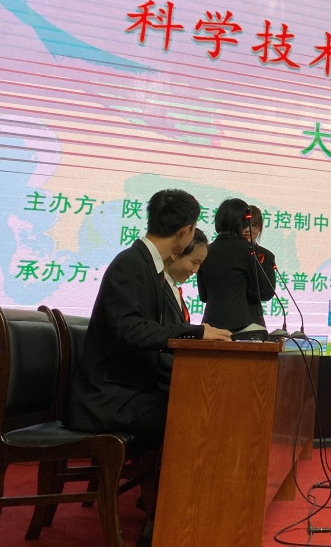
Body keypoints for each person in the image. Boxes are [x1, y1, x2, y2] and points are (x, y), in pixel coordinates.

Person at [68, 190, 232, 446]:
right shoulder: (130, 264)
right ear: (185, 231)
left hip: (131, 390)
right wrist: (196, 332)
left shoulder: (147, 265)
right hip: (110, 399)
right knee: (200, 413)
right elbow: (132, 330)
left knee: (205, 403)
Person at [198, 198, 276, 332]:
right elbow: (261, 289)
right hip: (242, 326)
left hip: (210, 325)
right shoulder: (247, 250)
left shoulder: (206, 250)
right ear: (243, 222)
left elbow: (204, 295)